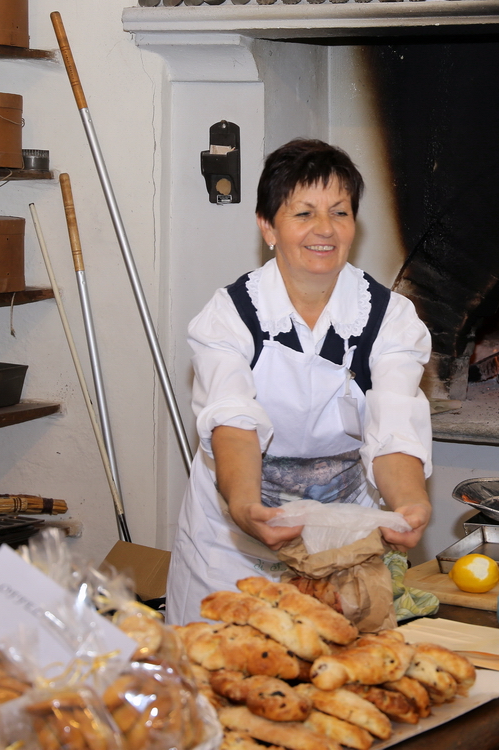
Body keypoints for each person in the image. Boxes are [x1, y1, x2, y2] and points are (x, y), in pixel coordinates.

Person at [166, 139, 433, 626]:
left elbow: (393, 426)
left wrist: (410, 503)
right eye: (304, 214)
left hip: (340, 539)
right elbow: (232, 420)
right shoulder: (229, 317)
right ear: (267, 225)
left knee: (339, 676)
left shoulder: (389, 319)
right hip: (233, 541)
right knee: (218, 678)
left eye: (340, 212)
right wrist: (246, 506)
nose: (325, 230)